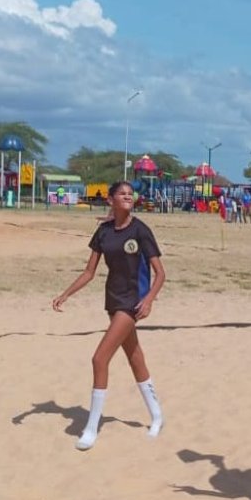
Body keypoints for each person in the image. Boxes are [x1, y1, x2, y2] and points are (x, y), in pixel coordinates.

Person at [52, 180, 166, 451]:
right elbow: (89, 272)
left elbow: (161, 273)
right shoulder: (103, 232)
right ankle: (157, 415)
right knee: (135, 358)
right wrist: (66, 294)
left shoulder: (141, 230)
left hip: (133, 303)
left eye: (130, 194)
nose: (128, 197)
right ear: (111, 200)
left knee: (99, 358)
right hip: (113, 301)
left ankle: (91, 427)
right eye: (122, 194)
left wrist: (149, 299)